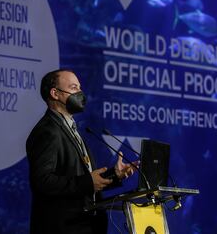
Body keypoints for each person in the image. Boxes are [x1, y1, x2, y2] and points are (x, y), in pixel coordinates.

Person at [26, 69, 136, 234]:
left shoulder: (71, 128)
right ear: (55, 93)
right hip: (63, 228)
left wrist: (114, 175)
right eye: (73, 87)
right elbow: (42, 181)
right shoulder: (47, 131)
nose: (80, 93)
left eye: (79, 87)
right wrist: (88, 182)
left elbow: (82, 180)